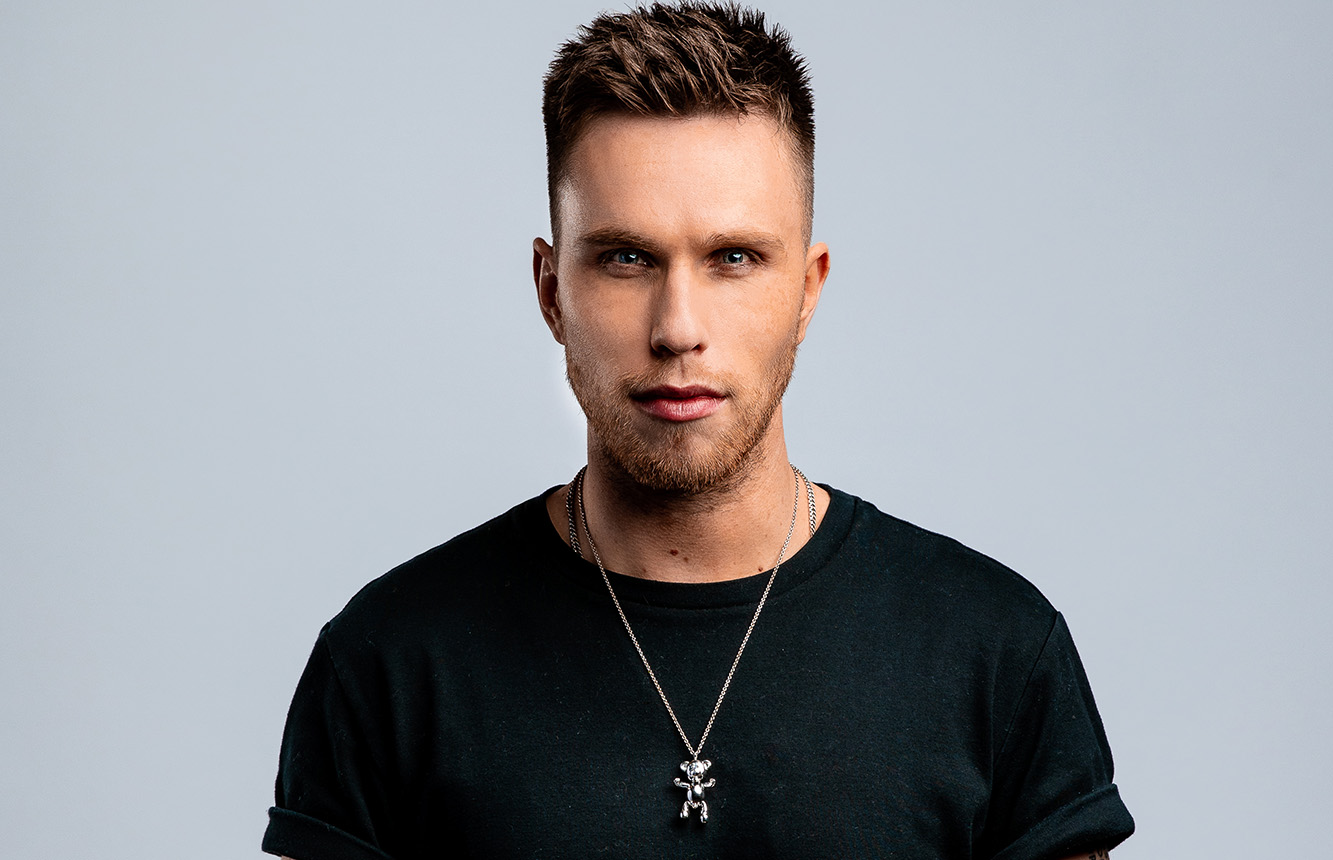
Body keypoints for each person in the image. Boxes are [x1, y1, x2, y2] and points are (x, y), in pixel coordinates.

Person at [261, 4, 1134, 858]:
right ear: (551, 291)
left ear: (807, 290)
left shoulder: (996, 656)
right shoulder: (388, 666)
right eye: (626, 258)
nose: (678, 328)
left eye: (733, 259)